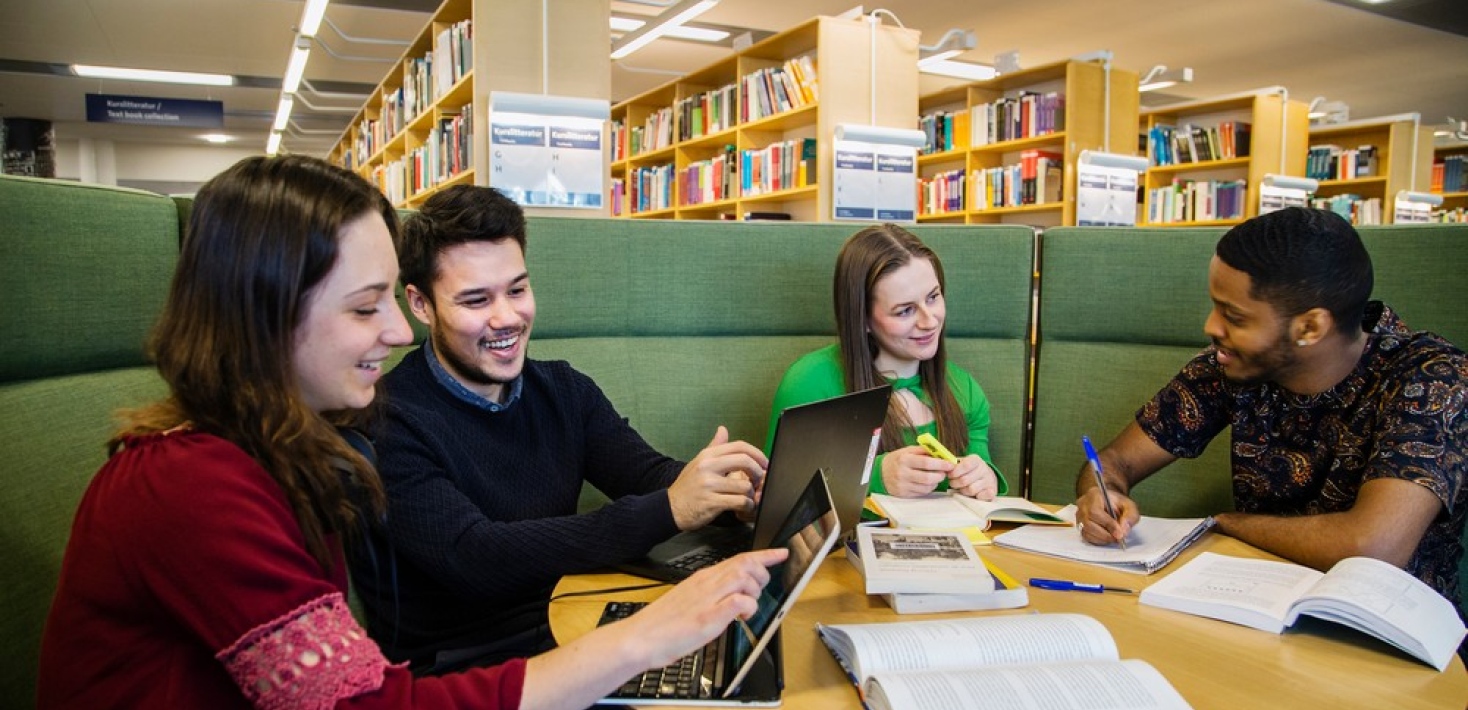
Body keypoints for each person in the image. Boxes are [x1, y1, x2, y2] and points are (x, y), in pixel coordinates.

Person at [36, 154, 786, 709]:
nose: (394, 331)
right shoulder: (193, 483)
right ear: (265, 317)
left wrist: (716, 495)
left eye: (517, 289)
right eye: (367, 307)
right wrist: (646, 638)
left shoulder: (284, 453)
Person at [354, 184, 769, 673]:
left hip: (576, 625)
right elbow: (475, 557)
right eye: (475, 301)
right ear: (421, 305)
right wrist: (670, 509)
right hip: (469, 664)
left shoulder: (564, 390)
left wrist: (733, 498)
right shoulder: (388, 419)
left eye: (517, 290)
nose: (506, 318)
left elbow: (646, 474)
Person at [1076, 206, 1467, 605]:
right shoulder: (1233, 366)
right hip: (1260, 606)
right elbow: (1114, 460)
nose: (1211, 327)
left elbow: (1372, 546)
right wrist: (1101, 495)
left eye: (1234, 316)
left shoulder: (1430, 379)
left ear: (1310, 327)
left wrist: (1225, 524)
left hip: (1388, 631)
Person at [766, 223, 1007, 500]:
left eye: (933, 297)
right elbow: (779, 496)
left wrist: (984, 478)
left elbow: (981, 477)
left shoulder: (964, 389)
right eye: (904, 311)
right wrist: (875, 477)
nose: (929, 321)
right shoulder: (811, 382)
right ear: (864, 319)